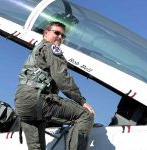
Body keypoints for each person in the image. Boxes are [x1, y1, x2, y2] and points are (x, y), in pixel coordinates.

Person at [14, 21, 94, 150]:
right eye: (56, 33)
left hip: (22, 103)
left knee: (36, 148)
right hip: (36, 98)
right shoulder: (50, 48)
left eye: (63, 36)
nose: (60, 37)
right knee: (85, 115)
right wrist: (81, 100)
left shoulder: (36, 50)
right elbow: (61, 77)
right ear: (46, 33)